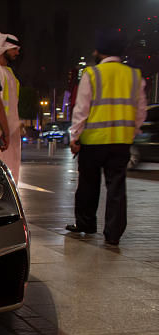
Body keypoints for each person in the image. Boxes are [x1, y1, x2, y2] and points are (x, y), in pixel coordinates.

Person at [66, 29, 147, 246]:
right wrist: (132, 131)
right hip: (121, 141)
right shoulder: (134, 75)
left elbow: (81, 109)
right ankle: (113, 234)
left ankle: (86, 224)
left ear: (100, 51)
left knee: (88, 185)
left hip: (93, 141)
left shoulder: (92, 74)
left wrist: (75, 136)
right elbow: (141, 111)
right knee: (117, 188)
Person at [0, 32, 22, 183]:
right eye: (14, 49)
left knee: (11, 171)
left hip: (10, 129)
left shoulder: (8, 72)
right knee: (0, 173)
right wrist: (2, 130)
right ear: (4, 48)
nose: (17, 53)